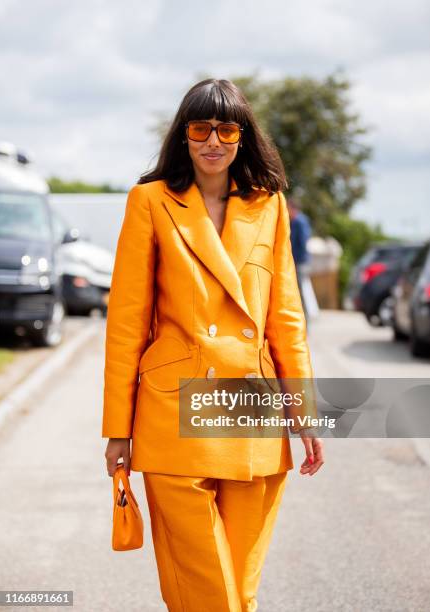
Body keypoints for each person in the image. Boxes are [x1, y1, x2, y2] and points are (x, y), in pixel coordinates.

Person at [102, 78, 324, 612]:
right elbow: (126, 323)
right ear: (184, 135)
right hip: (174, 410)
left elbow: (285, 317)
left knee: (238, 589)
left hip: (253, 410)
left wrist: (306, 412)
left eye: (227, 129)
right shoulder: (150, 201)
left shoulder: (268, 205)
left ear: (243, 138)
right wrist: (117, 431)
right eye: (201, 128)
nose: (213, 141)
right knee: (207, 592)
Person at [287, 197, 314, 323]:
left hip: (300, 262)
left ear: (293, 208)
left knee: (301, 294)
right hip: (299, 262)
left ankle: (305, 323)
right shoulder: (296, 221)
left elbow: (302, 244)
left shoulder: (299, 222)